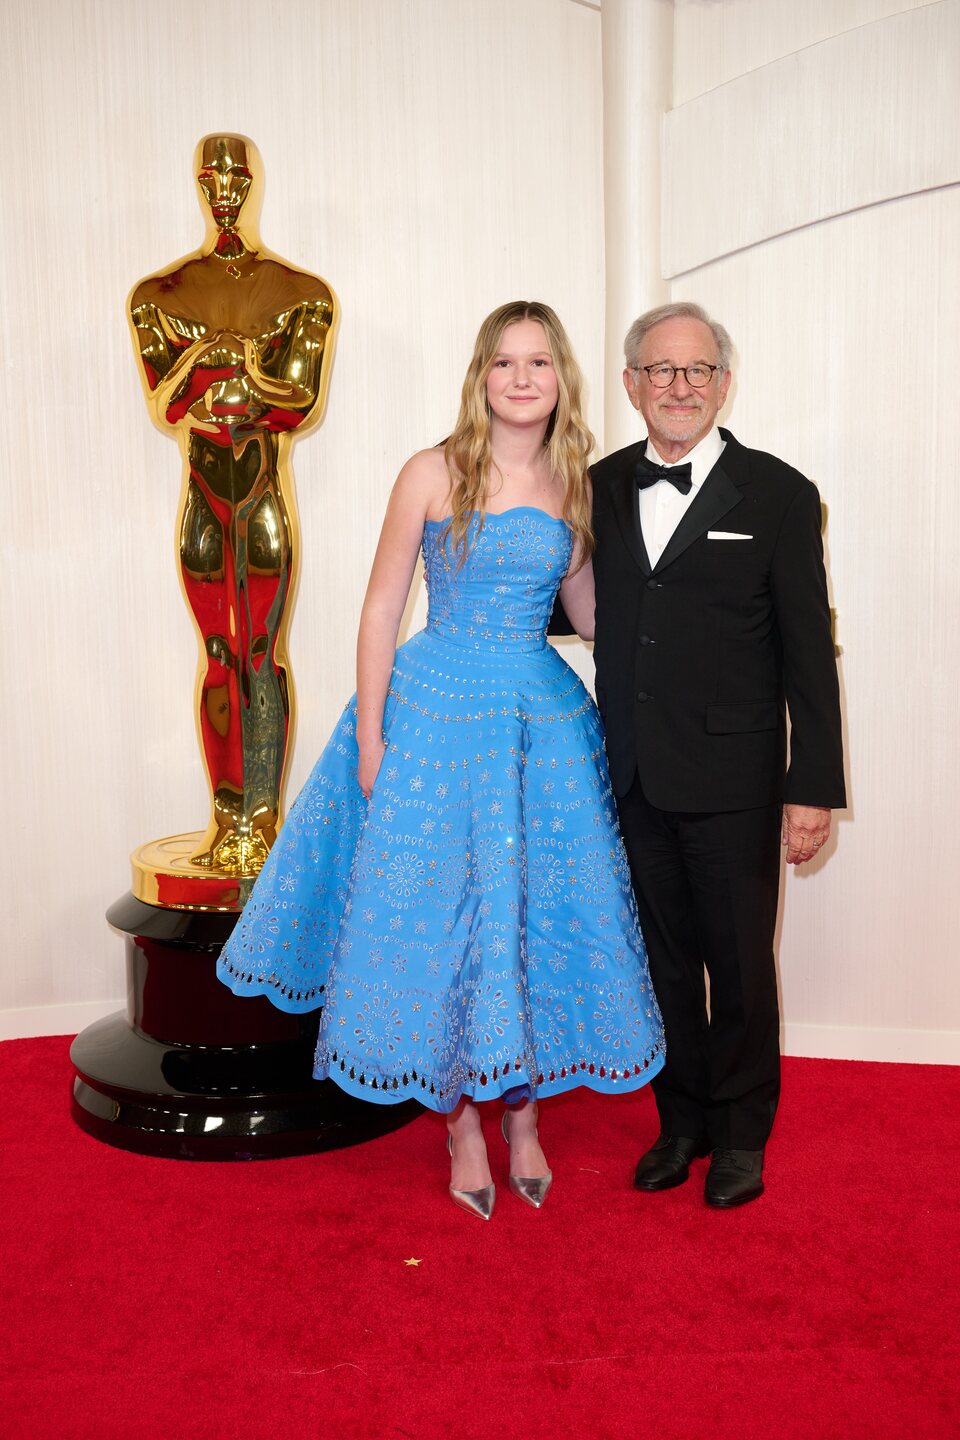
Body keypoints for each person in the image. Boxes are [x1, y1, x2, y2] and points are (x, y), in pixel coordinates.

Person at [217, 301, 665, 1218]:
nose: (522, 378)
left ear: (561, 379)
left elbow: (591, 616)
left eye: (539, 362)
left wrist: (696, 651)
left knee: (522, 918)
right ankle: (460, 1120)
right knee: (439, 916)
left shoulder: (575, 483)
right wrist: (374, 739)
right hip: (431, 717)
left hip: (536, 723)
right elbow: (382, 610)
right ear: (481, 376)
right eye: (505, 362)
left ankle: (524, 1115)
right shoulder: (432, 471)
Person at [588, 301, 844, 1207]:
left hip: (736, 780)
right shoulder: (598, 487)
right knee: (661, 963)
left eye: (698, 370)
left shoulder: (778, 493)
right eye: (661, 370)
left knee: (737, 964)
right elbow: (560, 605)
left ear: (724, 383)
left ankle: (742, 1135)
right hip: (630, 775)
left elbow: (809, 654)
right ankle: (681, 1123)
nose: (680, 386)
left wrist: (810, 787)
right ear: (632, 385)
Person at [129, 133, 337, 876]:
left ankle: (265, 824)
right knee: (219, 654)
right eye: (211, 175)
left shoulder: (300, 292)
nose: (224, 187)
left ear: (256, 182)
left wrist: (233, 365)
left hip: (264, 497)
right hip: (204, 501)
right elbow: (166, 403)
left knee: (262, 652)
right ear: (195, 183)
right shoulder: (160, 295)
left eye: (237, 174)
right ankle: (227, 824)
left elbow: (297, 403)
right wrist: (212, 364)